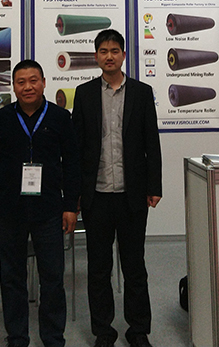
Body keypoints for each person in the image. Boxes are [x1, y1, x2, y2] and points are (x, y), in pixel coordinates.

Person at [71, 29, 162, 347]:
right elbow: (77, 147)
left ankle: (138, 330)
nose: (109, 56)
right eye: (103, 51)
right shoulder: (84, 94)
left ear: (123, 55)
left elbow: (151, 141)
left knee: (134, 265)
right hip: (96, 195)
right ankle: (103, 331)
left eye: (114, 51)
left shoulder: (141, 92)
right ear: (95, 56)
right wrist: (75, 193)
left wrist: (154, 185)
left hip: (131, 194)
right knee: (99, 268)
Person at [0, 59, 79, 347]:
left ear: (44, 83)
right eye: (21, 82)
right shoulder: (2, 118)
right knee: (11, 277)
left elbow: (72, 164)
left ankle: (53, 337)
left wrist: (70, 206)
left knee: (53, 277)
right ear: (13, 86)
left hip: (49, 209)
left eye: (33, 80)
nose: (27, 87)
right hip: (9, 209)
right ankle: (17, 336)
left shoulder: (60, 117)